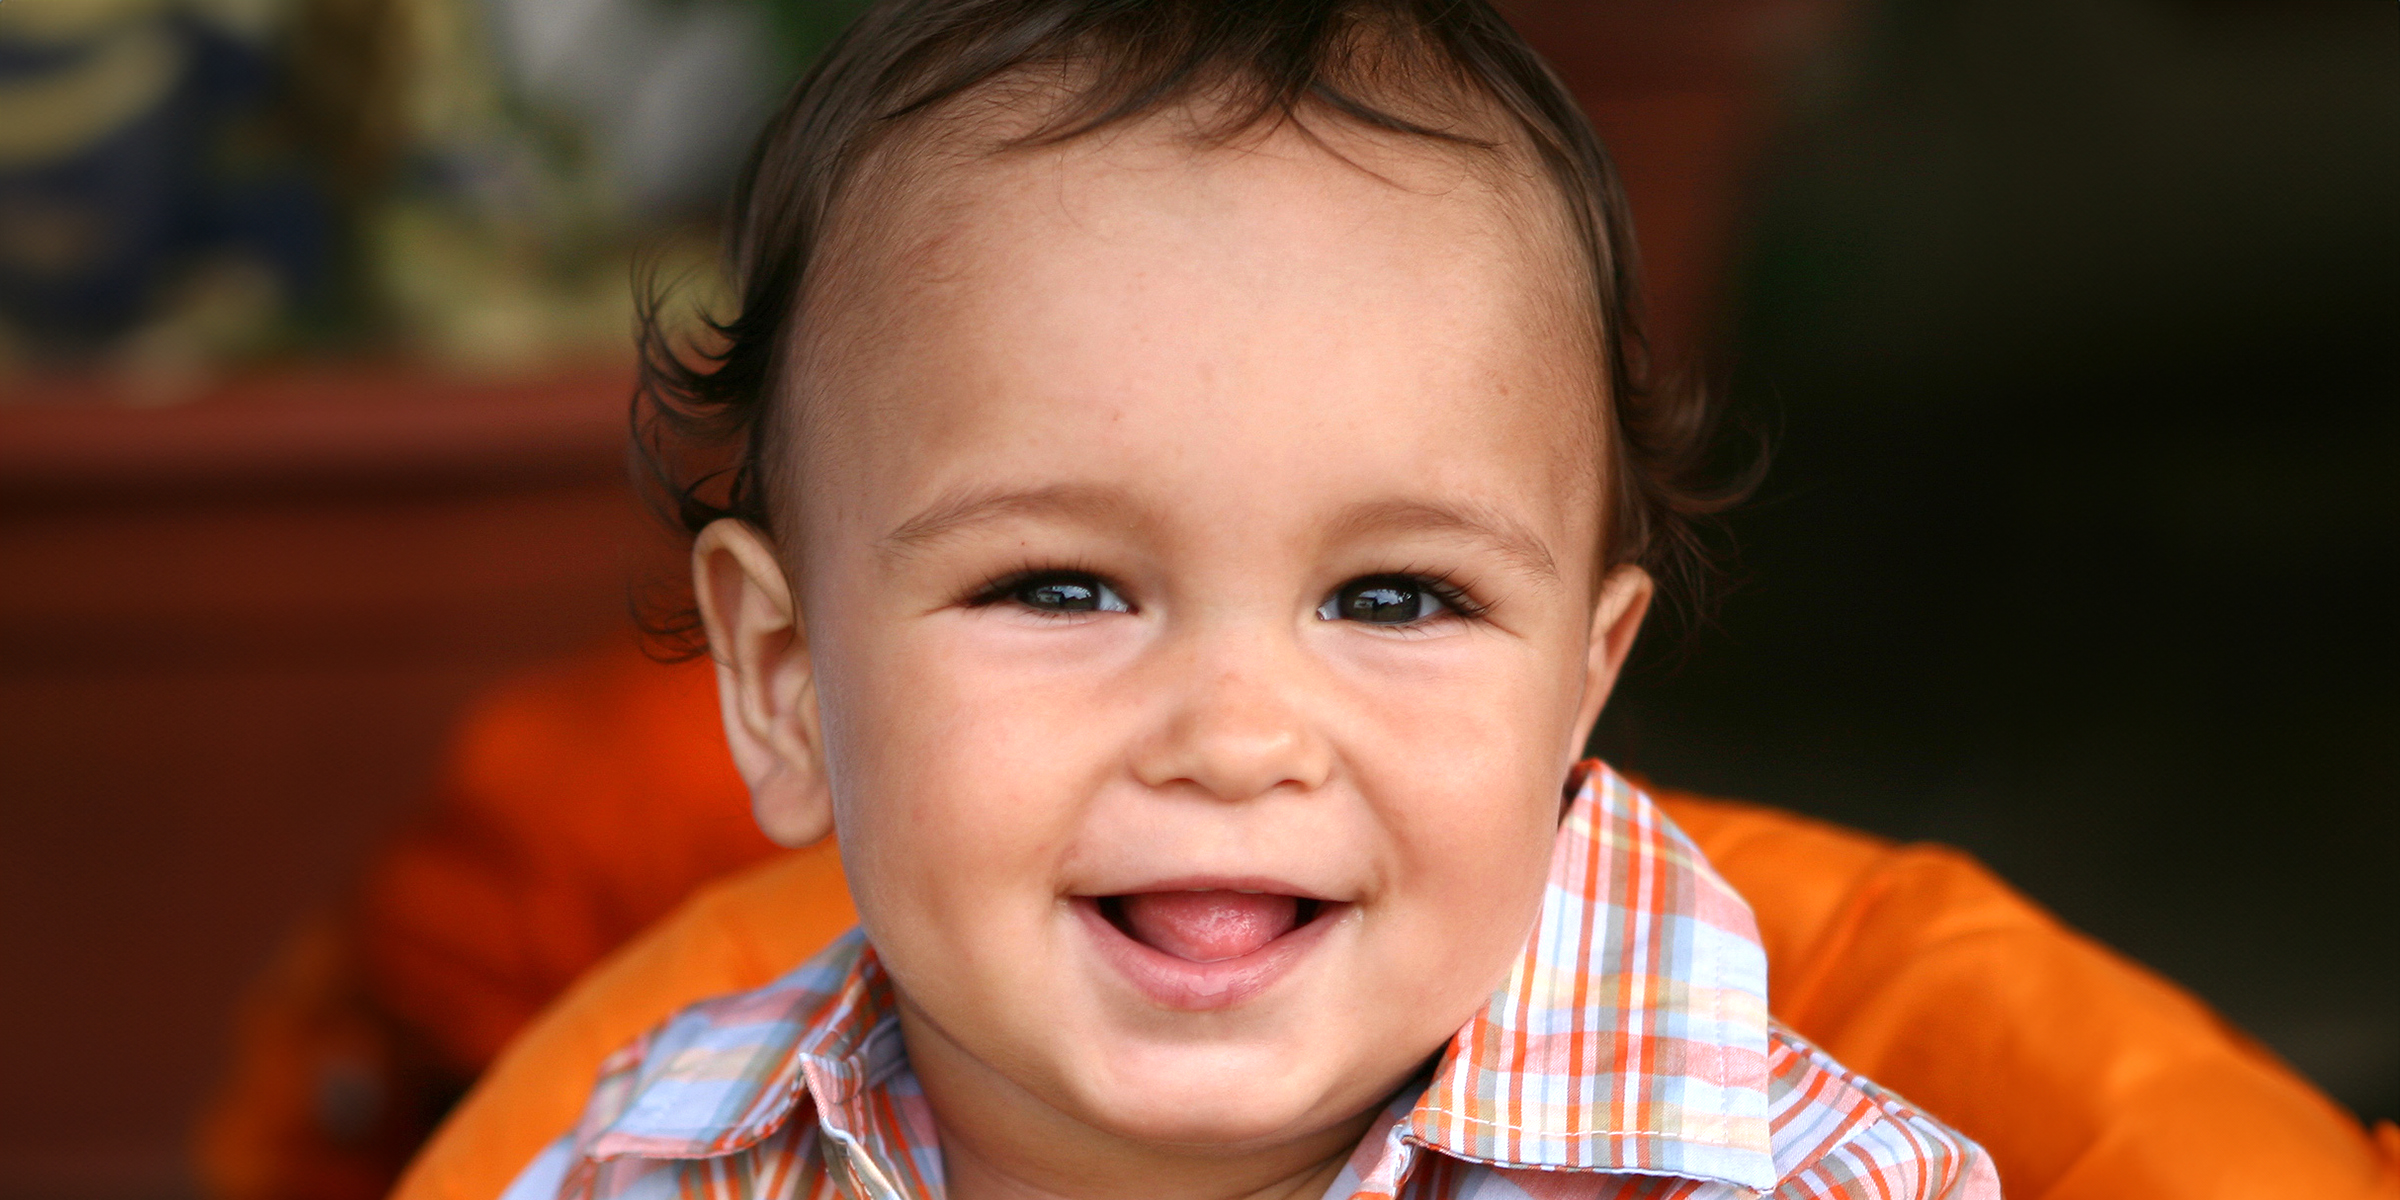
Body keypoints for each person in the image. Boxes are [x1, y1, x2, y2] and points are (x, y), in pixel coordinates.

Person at [415, 2, 2020, 1197]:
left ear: (1576, 693)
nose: (1238, 741)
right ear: (781, 678)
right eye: (1059, 585)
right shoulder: (654, 1162)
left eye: (1395, 598)